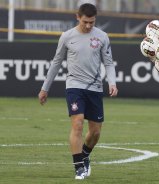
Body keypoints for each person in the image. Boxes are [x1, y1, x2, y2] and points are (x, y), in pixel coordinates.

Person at [38, 3, 118, 180]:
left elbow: (109, 63)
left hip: (95, 88)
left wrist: (112, 82)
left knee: (95, 132)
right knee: (77, 123)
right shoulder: (67, 36)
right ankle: (78, 167)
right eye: (85, 22)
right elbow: (56, 62)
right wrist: (45, 88)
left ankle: (85, 154)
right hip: (74, 86)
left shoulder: (102, 37)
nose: (89, 25)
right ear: (77, 17)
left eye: (92, 22)